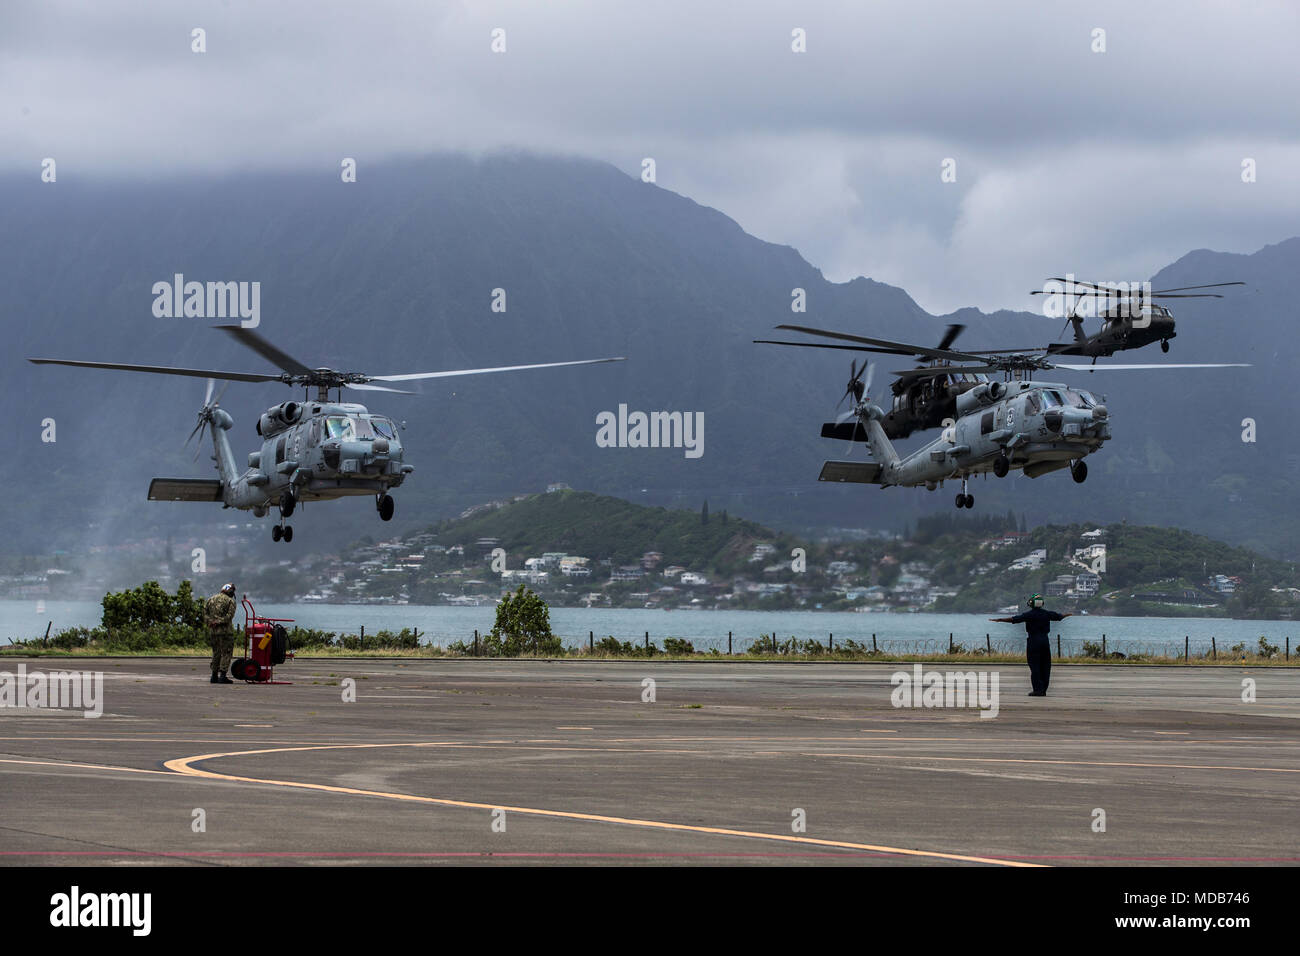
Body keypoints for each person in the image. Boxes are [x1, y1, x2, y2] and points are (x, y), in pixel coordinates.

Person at [990, 594, 1071, 697]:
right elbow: (1059, 617)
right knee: (1046, 665)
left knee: (1035, 665)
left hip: (1033, 641)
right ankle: (1043, 690)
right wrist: (1067, 614)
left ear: (1031, 604)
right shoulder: (1047, 614)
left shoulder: (1029, 614)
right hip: (1045, 641)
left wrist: (1000, 619)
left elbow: (1014, 619)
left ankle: (1037, 690)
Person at [205, 583, 238, 684]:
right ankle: (222, 676)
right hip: (225, 632)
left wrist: (211, 622)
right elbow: (229, 616)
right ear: (231, 591)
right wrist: (218, 622)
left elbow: (205, 614)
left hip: (213, 632)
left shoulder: (210, 599)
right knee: (226, 653)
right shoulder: (230, 601)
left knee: (216, 653)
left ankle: (214, 676)